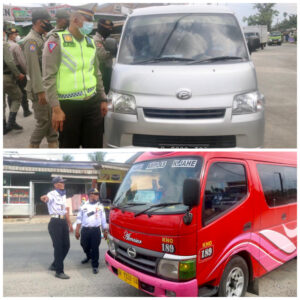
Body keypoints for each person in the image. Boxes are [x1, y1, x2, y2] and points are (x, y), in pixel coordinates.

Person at [43, 5, 108, 148]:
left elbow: (96, 73)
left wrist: (102, 98)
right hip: (68, 106)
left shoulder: (90, 42)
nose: (91, 24)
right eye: (88, 19)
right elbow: (49, 77)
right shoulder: (56, 41)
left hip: (92, 103)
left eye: (92, 20)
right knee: (69, 146)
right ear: (74, 19)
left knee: (94, 147)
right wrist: (56, 109)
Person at [22, 8, 58, 148]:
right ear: (38, 21)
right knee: (44, 121)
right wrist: (40, 91)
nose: (49, 24)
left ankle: (53, 144)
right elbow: (33, 69)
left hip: (46, 87)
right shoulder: (31, 41)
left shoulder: (41, 38)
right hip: (39, 89)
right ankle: (33, 146)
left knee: (51, 122)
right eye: (47, 21)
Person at [40, 176, 73, 279]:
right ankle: (59, 271)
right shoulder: (52, 194)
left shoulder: (63, 195)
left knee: (66, 246)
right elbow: (46, 198)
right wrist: (44, 197)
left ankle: (55, 264)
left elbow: (65, 210)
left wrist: (69, 223)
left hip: (63, 222)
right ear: (55, 184)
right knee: (58, 247)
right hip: (55, 222)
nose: (63, 183)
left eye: (63, 182)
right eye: (60, 182)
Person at [75, 188, 108, 274]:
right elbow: (79, 219)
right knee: (84, 245)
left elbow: (103, 220)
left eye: (97, 194)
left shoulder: (100, 206)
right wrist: (77, 230)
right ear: (90, 195)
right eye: (95, 194)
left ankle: (95, 265)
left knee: (95, 248)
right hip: (85, 230)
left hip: (95, 230)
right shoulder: (83, 206)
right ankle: (89, 256)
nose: (97, 196)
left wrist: (105, 231)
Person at [6, 28, 32, 117]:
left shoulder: (5, 45)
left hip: (9, 71)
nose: (17, 36)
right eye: (15, 34)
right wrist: (27, 71)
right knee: (23, 90)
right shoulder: (15, 46)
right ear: (11, 35)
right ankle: (26, 110)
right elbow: (22, 61)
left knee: (11, 92)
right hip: (18, 69)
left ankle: (12, 111)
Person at [3, 29, 25, 134]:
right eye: (15, 34)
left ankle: (3, 126)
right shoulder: (5, 45)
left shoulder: (7, 44)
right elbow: (11, 61)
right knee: (18, 96)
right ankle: (11, 122)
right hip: (7, 75)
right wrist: (19, 73)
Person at [94, 19, 115, 94]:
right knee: (104, 91)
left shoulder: (106, 39)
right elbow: (102, 55)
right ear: (102, 28)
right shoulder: (96, 40)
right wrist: (112, 52)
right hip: (102, 70)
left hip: (107, 69)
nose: (110, 30)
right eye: (108, 29)